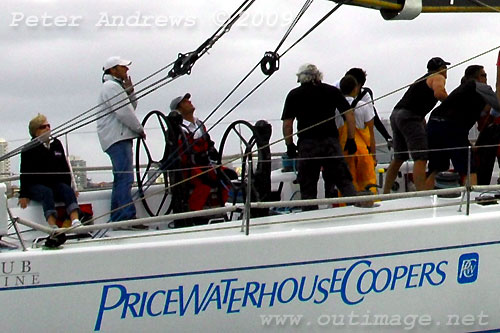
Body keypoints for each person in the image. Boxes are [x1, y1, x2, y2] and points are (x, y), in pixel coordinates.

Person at [281, 64, 357, 210]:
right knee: (344, 181)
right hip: (331, 144)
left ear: (301, 78)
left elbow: (287, 125)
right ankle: (356, 214)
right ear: (318, 76)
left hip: (307, 145)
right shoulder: (332, 91)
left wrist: (289, 146)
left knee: (308, 188)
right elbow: (349, 115)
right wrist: (351, 139)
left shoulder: (294, 95)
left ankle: (311, 222)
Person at [383, 57, 449, 193]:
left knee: (399, 157)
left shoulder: (421, 80)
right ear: (442, 68)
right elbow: (439, 93)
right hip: (410, 116)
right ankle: (421, 194)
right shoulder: (438, 77)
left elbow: (416, 103)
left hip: (396, 115)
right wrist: (453, 105)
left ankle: (385, 193)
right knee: (421, 156)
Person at [427, 63, 500, 186]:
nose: (486, 78)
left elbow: (477, 113)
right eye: (484, 75)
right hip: (451, 127)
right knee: (469, 169)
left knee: (436, 168)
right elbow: (498, 105)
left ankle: (425, 197)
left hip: (434, 123)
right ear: (477, 78)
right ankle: (472, 201)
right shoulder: (480, 87)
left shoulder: (462, 90)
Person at [96, 56, 147, 225]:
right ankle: (125, 216)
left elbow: (129, 107)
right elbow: (124, 112)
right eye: (123, 67)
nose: (127, 70)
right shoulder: (111, 87)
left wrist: (130, 92)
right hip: (117, 137)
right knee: (125, 178)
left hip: (116, 137)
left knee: (121, 178)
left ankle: (117, 217)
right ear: (113, 70)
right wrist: (139, 129)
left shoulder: (114, 87)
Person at [169, 93, 231, 226]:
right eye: (185, 102)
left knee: (228, 177)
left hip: (205, 165)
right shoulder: (178, 128)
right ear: (178, 109)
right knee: (203, 184)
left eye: (188, 100)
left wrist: (212, 151)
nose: (189, 102)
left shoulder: (199, 124)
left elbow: (208, 142)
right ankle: (195, 215)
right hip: (189, 168)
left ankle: (220, 209)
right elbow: (179, 152)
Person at [18, 114, 80, 228]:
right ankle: (53, 226)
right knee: (46, 192)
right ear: (36, 132)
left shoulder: (56, 144)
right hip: (36, 185)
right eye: (43, 127)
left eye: (48, 126)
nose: (47, 129)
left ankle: (75, 221)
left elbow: (64, 167)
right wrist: (23, 194)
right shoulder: (28, 149)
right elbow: (24, 173)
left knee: (66, 189)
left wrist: (71, 187)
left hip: (54, 183)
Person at [337, 75, 378, 194]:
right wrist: (373, 156)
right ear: (355, 89)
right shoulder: (364, 106)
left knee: (346, 185)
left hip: (343, 151)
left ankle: (346, 208)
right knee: (367, 183)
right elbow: (371, 134)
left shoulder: (336, 108)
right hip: (362, 153)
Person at [344, 67, 393, 148]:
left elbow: (374, 118)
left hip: (359, 136)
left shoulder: (365, 95)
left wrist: (387, 137)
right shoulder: (337, 92)